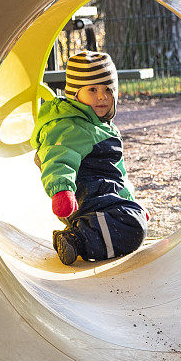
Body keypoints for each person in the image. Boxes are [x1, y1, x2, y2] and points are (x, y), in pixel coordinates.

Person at [30, 51, 148, 266]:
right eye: (92, 90)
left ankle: (92, 232)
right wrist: (61, 191)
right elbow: (57, 158)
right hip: (83, 200)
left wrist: (129, 202)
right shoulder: (70, 125)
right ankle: (75, 240)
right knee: (133, 229)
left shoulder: (103, 127)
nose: (101, 96)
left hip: (105, 198)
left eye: (107, 90)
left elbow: (117, 174)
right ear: (75, 94)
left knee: (134, 222)